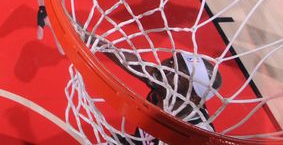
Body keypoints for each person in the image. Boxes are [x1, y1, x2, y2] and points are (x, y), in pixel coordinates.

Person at [79, 25, 223, 142]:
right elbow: (132, 62)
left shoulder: (197, 133)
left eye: (177, 74)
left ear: (193, 97)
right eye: (171, 61)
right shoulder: (160, 80)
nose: (165, 68)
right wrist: (89, 37)